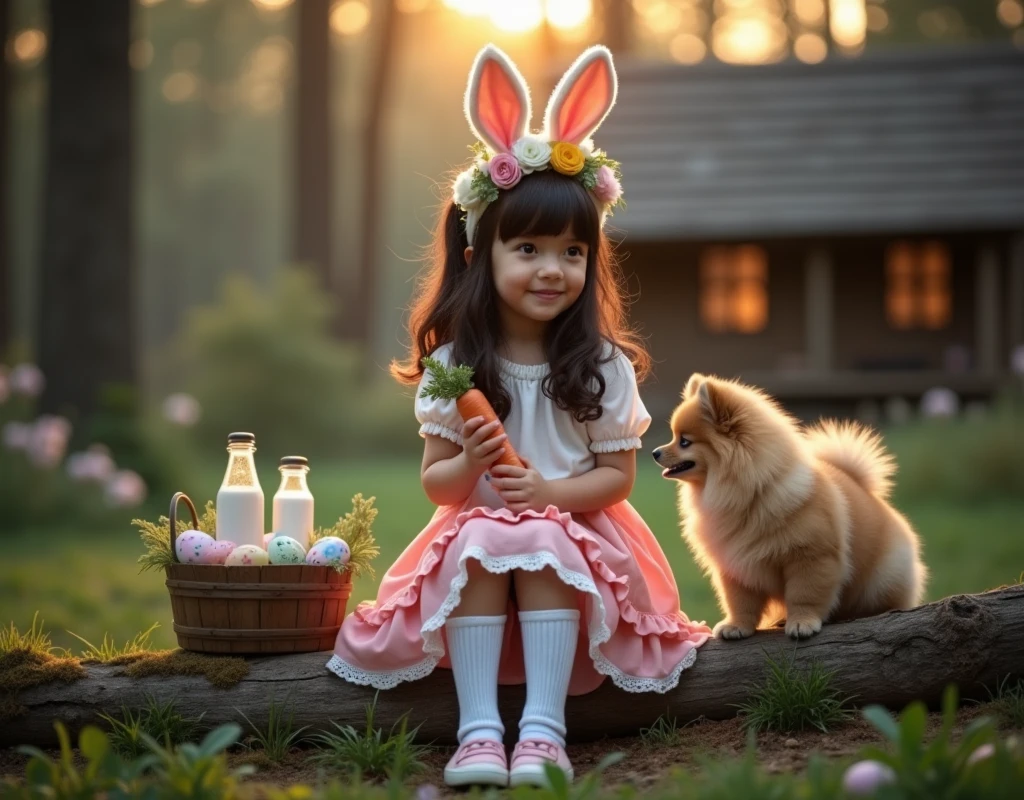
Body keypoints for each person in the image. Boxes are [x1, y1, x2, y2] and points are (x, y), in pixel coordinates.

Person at [328, 43, 711, 789]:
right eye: (528, 246)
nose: (551, 268)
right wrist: (471, 461)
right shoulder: (457, 368)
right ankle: (477, 732)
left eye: (572, 251)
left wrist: (549, 499)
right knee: (479, 531)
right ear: (481, 254)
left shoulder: (598, 365)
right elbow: (439, 487)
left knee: (533, 533)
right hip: (475, 538)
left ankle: (541, 731)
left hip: (581, 536)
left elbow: (617, 479)